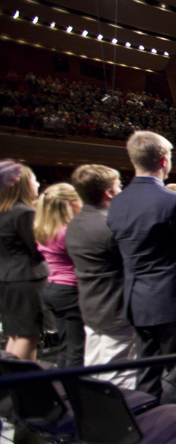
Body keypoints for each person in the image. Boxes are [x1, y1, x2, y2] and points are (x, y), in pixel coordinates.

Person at [107, 130, 176, 406]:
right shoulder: (173, 201)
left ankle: (151, 435)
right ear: (164, 161)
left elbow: (115, 251)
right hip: (174, 300)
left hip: (137, 300)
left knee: (146, 373)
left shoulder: (117, 202)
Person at [66, 165, 137, 388]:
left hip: (91, 306)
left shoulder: (75, 222)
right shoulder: (110, 225)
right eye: (119, 186)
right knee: (120, 377)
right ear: (108, 192)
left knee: (95, 370)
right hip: (114, 308)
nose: (121, 190)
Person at [34, 183, 85, 368]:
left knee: (66, 346)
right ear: (70, 204)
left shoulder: (44, 229)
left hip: (53, 289)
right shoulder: (67, 232)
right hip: (70, 290)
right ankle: (74, 393)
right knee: (77, 348)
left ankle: (65, 389)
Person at [0, 165, 48, 360]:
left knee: (15, 334)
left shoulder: (4, 212)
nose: (37, 184)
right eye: (34, 180)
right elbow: (38, 249)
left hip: (6, 280)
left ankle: (10, 384)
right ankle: (21, 385)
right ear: (22, 185)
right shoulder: (24, 213)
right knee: (29, 334)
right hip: (26, 280)